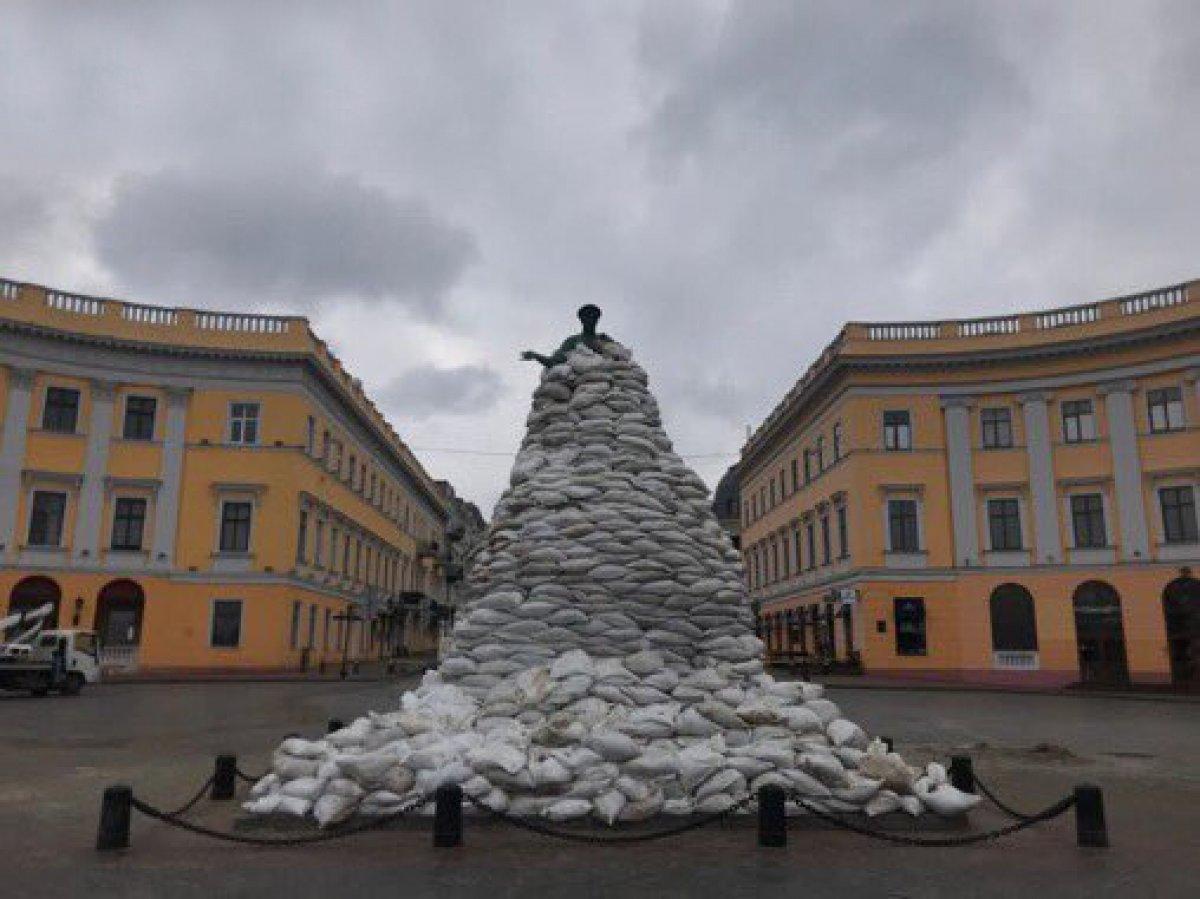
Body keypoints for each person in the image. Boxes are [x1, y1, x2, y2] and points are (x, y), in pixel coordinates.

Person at [521, 304, 612, 367]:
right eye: (587, 316)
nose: (591, 319)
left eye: (594, 316)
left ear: (598, 319)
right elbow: (554, 361)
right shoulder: (573, 341)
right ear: (581, 319)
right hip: (577, 385)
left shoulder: (604, 339)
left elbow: (620, 357)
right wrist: (535, 355)